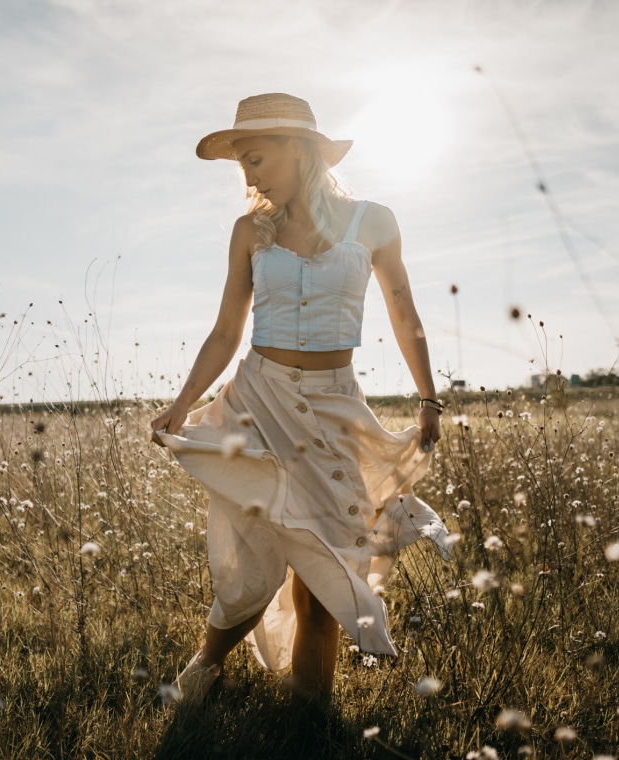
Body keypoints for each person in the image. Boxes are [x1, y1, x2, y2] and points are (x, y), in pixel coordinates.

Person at [151, 93, 453, 704]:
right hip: (256, 405)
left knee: (330, 564)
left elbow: (403, 311)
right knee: (254, 559)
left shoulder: (374, 221)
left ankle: (309, 716)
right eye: (242, 166)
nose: (250, 176)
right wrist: (184, 403)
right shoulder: (249, 231)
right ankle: (207, 665)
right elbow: (226, 330)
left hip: (334, 409)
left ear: (301, 149)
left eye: (256, 158)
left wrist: (428, 398)